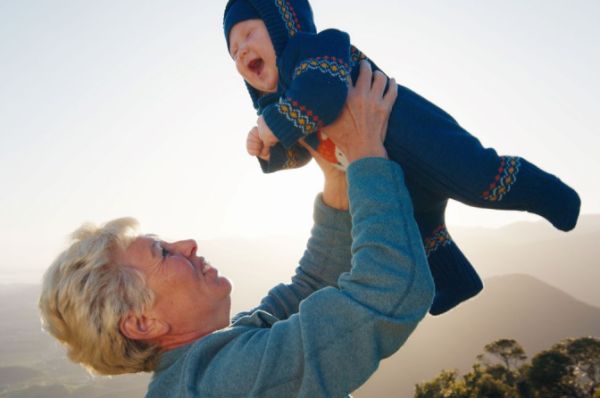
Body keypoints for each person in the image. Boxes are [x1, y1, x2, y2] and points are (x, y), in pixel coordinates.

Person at [38, 63, 435, 397]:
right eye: (161, 254)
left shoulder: (204, 365)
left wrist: (337, 174)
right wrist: (366, 153)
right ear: (143, 323)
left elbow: (312, 286)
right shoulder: (224, 383)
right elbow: (390, 295)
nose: (187, 244)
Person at [223, 0, 581, 315]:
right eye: (234, 50)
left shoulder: (316, 51)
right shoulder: (284, 105)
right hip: (390, 170)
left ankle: (552, 195)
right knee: (422, 225)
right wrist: (270, 150)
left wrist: (274, 125)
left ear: (282, 23)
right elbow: (302, 152)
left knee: (478, 179)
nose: (241, 51)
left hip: (420, 137)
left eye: (249, 35)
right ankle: (454, 281)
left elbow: (323, 95)